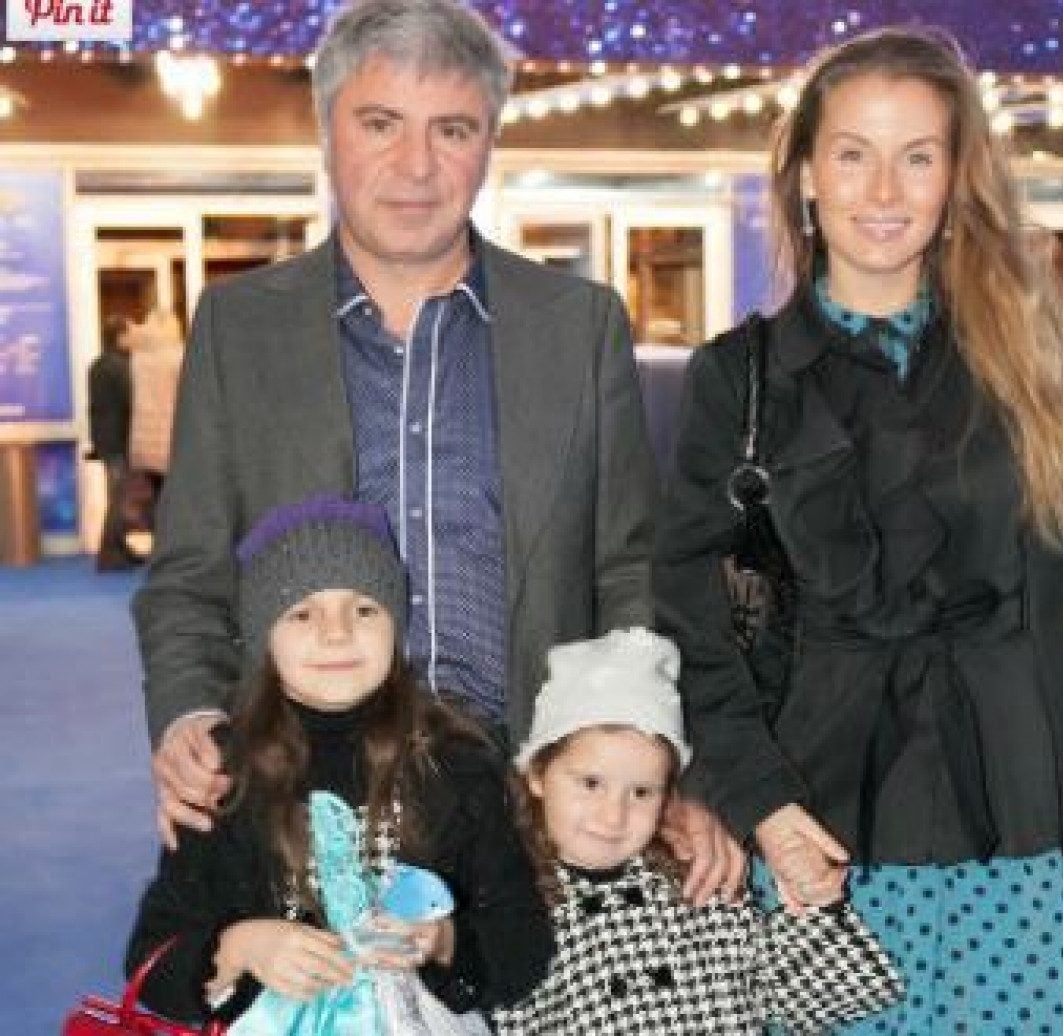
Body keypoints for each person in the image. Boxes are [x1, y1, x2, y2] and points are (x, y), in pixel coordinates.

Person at [133, 0, 738, 901]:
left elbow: (627, 572)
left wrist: (655, 758)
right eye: (381, 123)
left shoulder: (579, 328)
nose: (416, 166)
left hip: (538, 810)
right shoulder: (241, 328)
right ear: (327, 131)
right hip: (306, 810)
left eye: (452, 129)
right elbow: (189, 575)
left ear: (489, 142)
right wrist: (188, 712)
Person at [654, 27, 1063, 1034]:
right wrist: (760, 802)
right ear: (805, 175)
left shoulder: (1023, 364)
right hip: (814, 832)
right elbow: (690, 619)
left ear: (956, 179)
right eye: (852, 154)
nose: (883, 190)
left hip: (1009, 828)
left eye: (917, 156)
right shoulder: (737, 378)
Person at [126, 494, 552, 1027]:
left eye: (364, 609)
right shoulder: (225, 776)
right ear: (264, 640)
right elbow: (151, 957)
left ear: (396, 626)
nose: (336, 633)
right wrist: (241, 947)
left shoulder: (456, 763)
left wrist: (444, 942)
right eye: (302, 613)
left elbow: (524, 943)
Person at [491, 627, 903, 1034]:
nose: (613, 816)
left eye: (641, 792)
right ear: (538, 774)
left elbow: (821, 999)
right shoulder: (513, 907)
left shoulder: (698, 883)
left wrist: (816, 904)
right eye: (591, 783)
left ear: (668, 794)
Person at [127, 306, 186, 526]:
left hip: (144, 440)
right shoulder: (178, 357)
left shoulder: (138, 358)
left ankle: (157, 535)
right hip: (171, 437)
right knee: (176, 497)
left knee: (155, 494)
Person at [86, 314, 136, 571]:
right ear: (120, 336)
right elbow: (130, 402)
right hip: (119, 440)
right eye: (129, 332)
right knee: (118, 498)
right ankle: (108, 553)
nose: (133, 337)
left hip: (105, 440)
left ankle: (119, 547)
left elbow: (95, 408)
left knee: (117, 495)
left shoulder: (96, 366)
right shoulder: (121, 367)